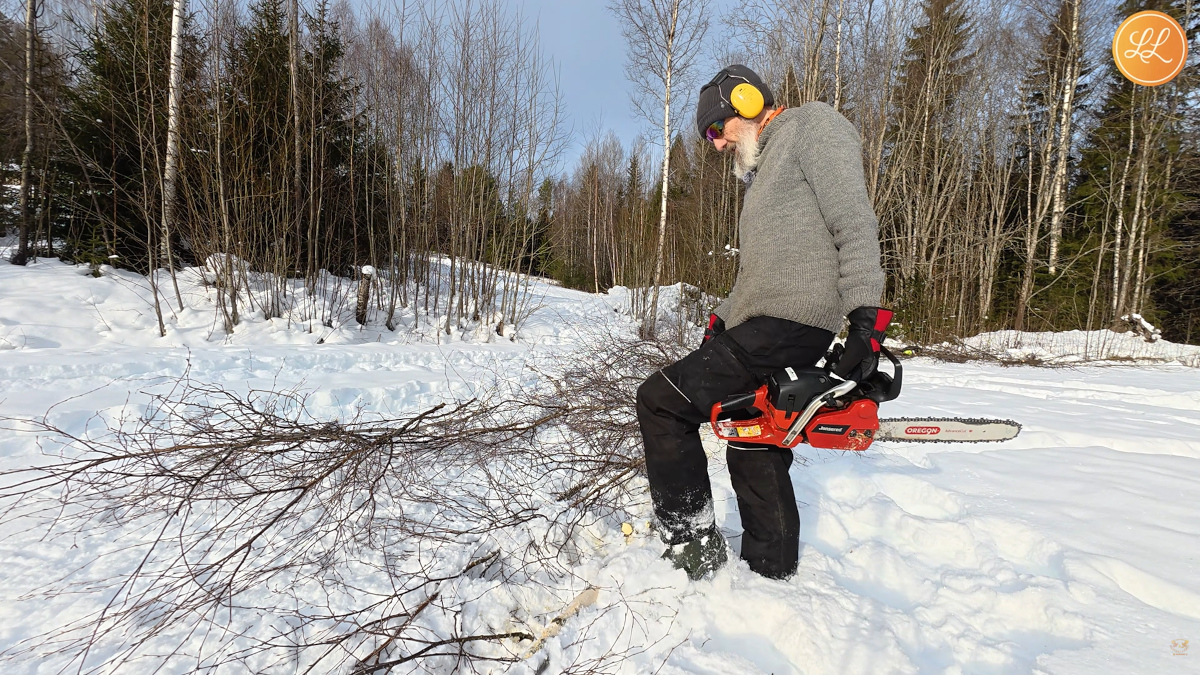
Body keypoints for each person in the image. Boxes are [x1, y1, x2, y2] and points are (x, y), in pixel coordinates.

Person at [635, 64, 888, 580]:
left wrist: (868, 319)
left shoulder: (812, 127)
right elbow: (762, 273)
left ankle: (689, 550)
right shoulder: (765, 173)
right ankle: (771, 569)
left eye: (715, 129)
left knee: (661, 401)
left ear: (746, 103)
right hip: (768, 320)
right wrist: (722, 320)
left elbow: (854, 219)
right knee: (754, 436)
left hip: (789, 323)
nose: (715, 145)